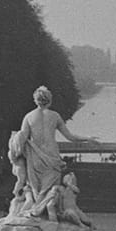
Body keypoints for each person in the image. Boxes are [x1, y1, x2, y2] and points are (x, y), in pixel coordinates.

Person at [11, 86, 95, 214]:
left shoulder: (29, 116)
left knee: (36, 189)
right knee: (50, 190)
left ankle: (34, 213)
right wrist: (88, 138)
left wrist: (15, 153)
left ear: (35, 100)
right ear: (50, 100)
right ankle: (44, 215)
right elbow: (70, 137)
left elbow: (21, 137)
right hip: (52, 155)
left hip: (35, 157)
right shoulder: (55, 116)